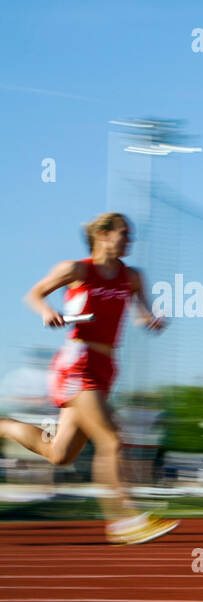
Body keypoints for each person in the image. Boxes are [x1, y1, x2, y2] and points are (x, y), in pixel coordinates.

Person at [0, 212, 177, 544]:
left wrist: (152, 322)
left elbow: (142, 313)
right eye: (124, 234)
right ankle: (124, 519)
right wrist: (47, 312)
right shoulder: (77, 270)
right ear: (103, 234)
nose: (129, 241)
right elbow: (34, 294)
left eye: (130, 236)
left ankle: (3, 426)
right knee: (111, 440)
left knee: (60, 454)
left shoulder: (133, 277)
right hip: (77, 363)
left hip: (107, 366)